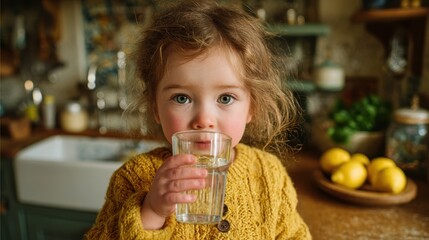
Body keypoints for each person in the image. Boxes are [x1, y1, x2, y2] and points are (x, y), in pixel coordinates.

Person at [85, 0, 311, 239]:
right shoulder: (133, 177)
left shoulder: (270, 174)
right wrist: (151, 211)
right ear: (155, 107)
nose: (204, 120)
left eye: (225, 98)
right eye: (181, 98)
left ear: (251, 107)